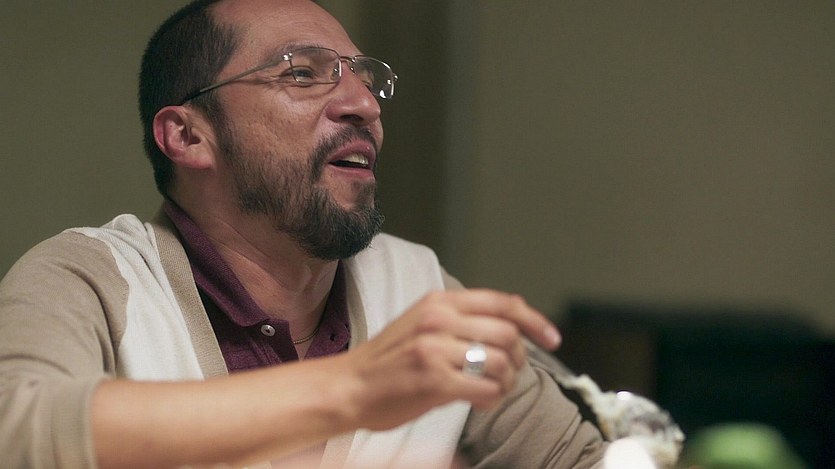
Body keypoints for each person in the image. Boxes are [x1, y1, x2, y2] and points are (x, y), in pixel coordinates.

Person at [0, 0, 607, 467]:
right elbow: (16, 430)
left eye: (365, 79)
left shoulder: (416, 287)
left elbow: (587, 459)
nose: (364, 105)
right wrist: (357, 386)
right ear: (187, 136)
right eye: (302, 74)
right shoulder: (92, 278)